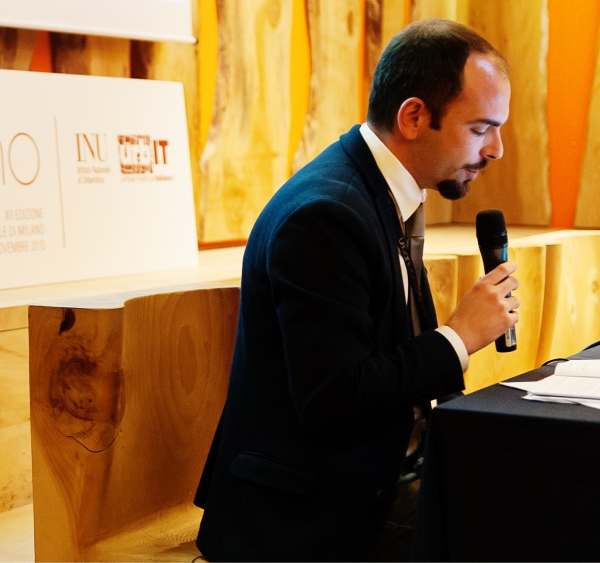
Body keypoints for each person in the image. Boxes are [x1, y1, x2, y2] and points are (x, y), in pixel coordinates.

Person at [194, 19, 520, 561]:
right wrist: (458, 338)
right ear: (414, 117)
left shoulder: (383, 190)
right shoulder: (327, 214)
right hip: (307, 512)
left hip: (382, 475)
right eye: (481, 128)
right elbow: (333, 400)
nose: (497, 150)